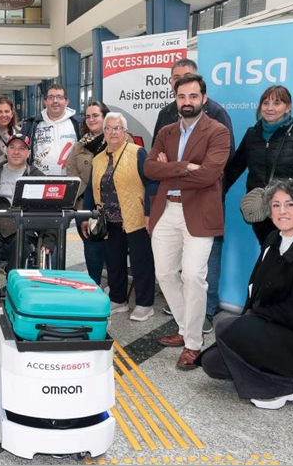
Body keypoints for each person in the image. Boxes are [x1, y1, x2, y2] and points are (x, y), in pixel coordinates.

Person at [197, 179, 293, 410]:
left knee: (225, 328)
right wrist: (247, 322)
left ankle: (284, 386)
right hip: (271, 325)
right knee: (212, 364)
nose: (282, 211)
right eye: (276, 205)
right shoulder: (273, 240)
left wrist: (250, 321)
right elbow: (256, 289)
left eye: (290, 205)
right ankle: (282, 375)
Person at [144, 73, 231, 371]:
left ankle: (194, 343)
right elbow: (150, 168)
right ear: (175, 99)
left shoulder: (217, 131)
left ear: (203, 99)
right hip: (167, 209)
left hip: (199, 213)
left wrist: (170, 168)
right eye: (182, 97)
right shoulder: (167, 131)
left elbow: (209, 174)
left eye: (193, 96)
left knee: (193, 276)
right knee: (165, 272)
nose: (187, 102)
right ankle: (184, 329)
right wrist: (183, 167)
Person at [0, 134, 54, 319]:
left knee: (20, 243)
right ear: (6, 150)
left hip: (24, 228)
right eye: (12, 147)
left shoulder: (37, 176)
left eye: (21, 148)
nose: (16, 151)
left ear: (28, 153)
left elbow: (50, 213)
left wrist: (48, 240)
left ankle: (14, 290)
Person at [225, 85, 293, 245]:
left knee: (291, 259)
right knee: (269, 255)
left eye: (277, 103)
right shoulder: (252, 134)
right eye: (265, 103)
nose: (269, 108)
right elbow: (232, 171)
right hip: (262, 212)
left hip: (290, 212)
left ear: (288, 107)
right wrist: (214, 194)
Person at [84, 112, 157, 321]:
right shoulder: (97, 159)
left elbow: (152, 183)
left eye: (118, 128)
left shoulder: (137, 153)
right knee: (114, 261)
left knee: (140, 262)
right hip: (109, 221)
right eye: (109, 128)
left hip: (135, 219)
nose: (113, 132)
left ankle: (144, 304)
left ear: (125, 132)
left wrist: (149, 213)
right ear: (104, 132)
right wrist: (85, 218)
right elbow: (90, 190)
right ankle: (118, 299)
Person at [68, 101, 108, 285]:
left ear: (104, 117)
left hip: (112, 204)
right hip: (84, 205)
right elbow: (72, 173)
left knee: (113, 249)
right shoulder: (79, 146)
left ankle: (116, 289)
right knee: (91, 249)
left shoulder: (118, 139)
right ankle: (94, 284)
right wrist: (88, 195)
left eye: (96, 115)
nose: (91, 119)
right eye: (88, 116)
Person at [20, 84, 84, 176]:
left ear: (66, 102)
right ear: (45, 102)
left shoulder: (78, 124)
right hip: (38, 179)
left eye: (59, 97)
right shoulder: (32, 124)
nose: (55, 101)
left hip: (70, 179)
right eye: (51, 97)